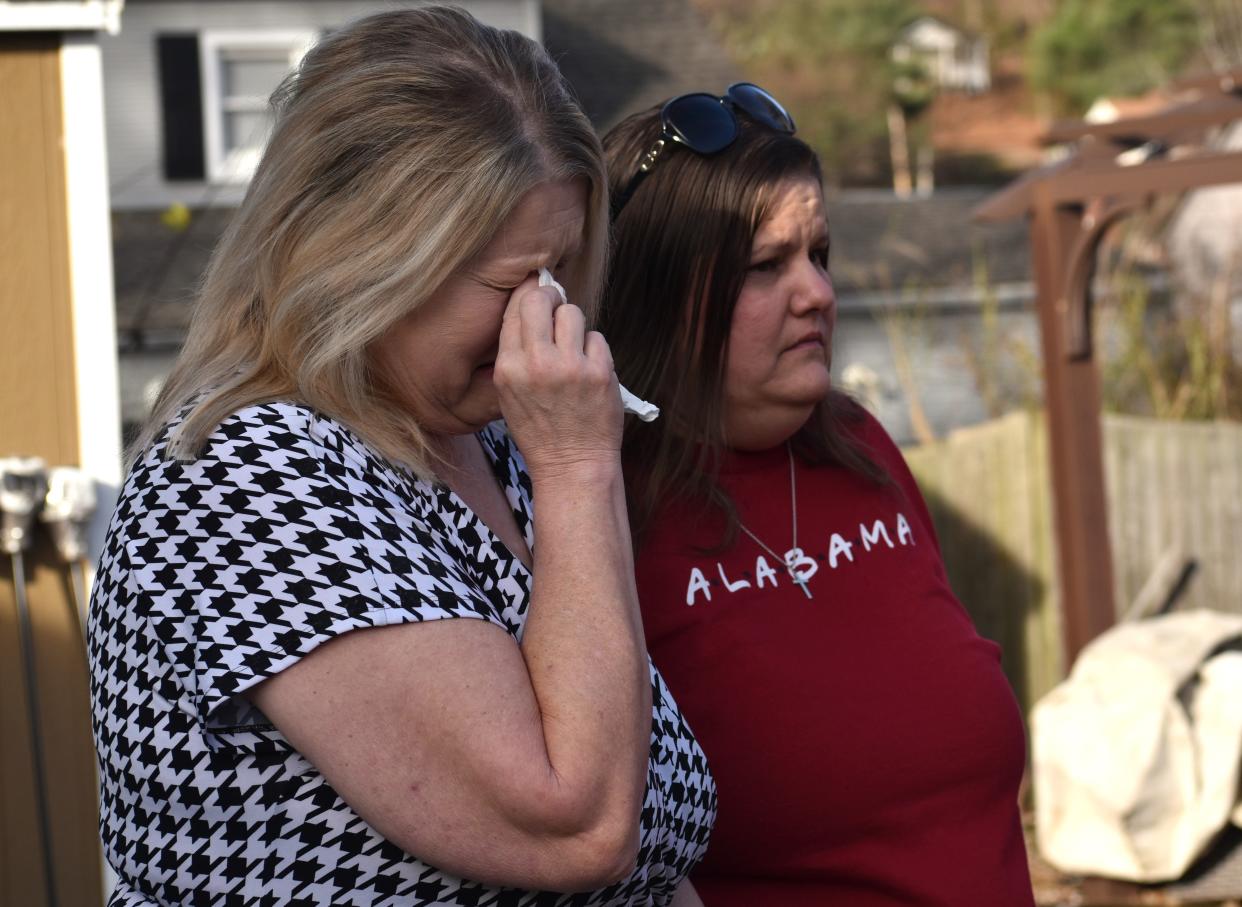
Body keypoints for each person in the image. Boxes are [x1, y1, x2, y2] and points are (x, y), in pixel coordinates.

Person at [88, 9, 715, 905]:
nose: (547, 322)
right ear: (358, 261)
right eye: (511, 284)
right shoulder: (246, 476)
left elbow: (654, 848)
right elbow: (572, 822)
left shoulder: (492, 444)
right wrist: (580, 470)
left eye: (563, 273)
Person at [598, 85, 1035, 906]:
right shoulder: (600, 514)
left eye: (820, 255)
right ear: (660, 295)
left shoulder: (860, 447)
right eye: (767, 266)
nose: (819, 294)